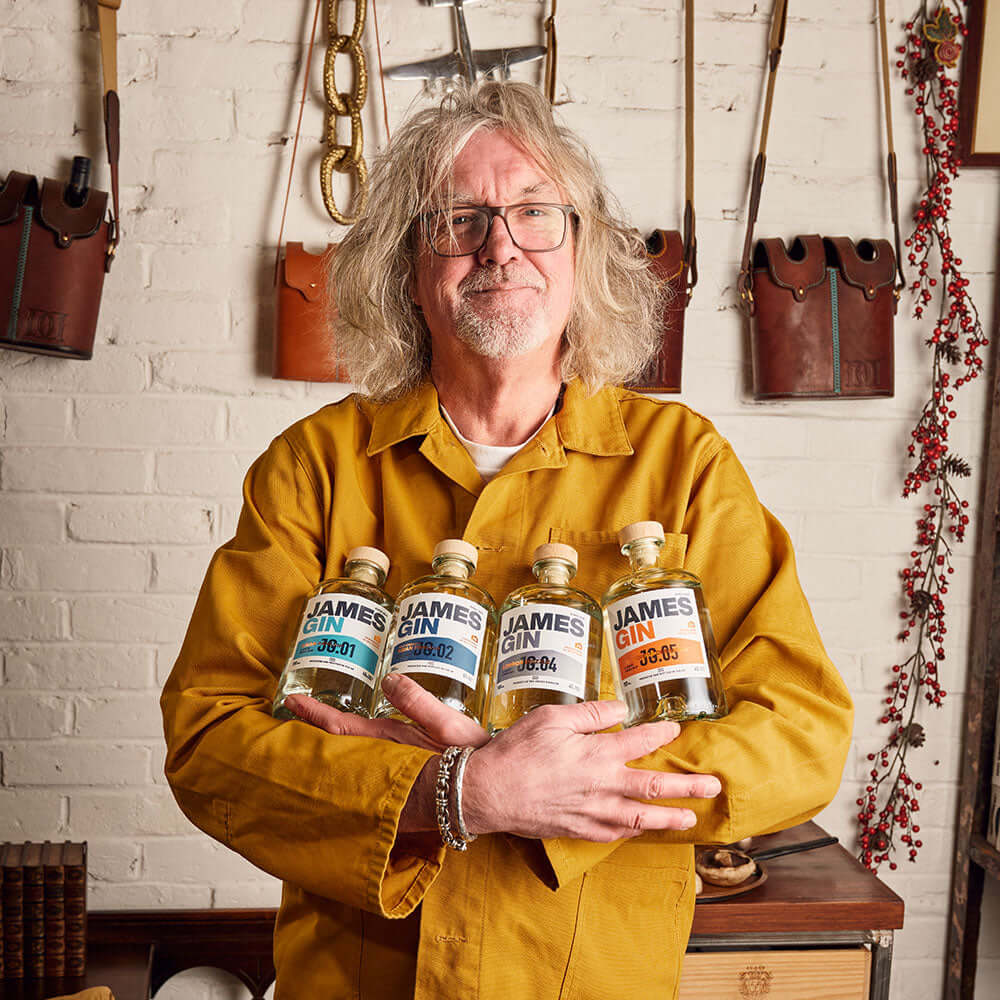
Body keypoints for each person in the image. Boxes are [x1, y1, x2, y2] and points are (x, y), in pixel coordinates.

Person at [161, 82, 853, 999]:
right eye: (459, 219)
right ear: (407, 266)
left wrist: (567, 787)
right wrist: (458, 794)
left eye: (536, 213)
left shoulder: (685, 463)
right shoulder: (315, 467)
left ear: (582, 255)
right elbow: (209, 738)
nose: (502, 246)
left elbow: (800, 733)